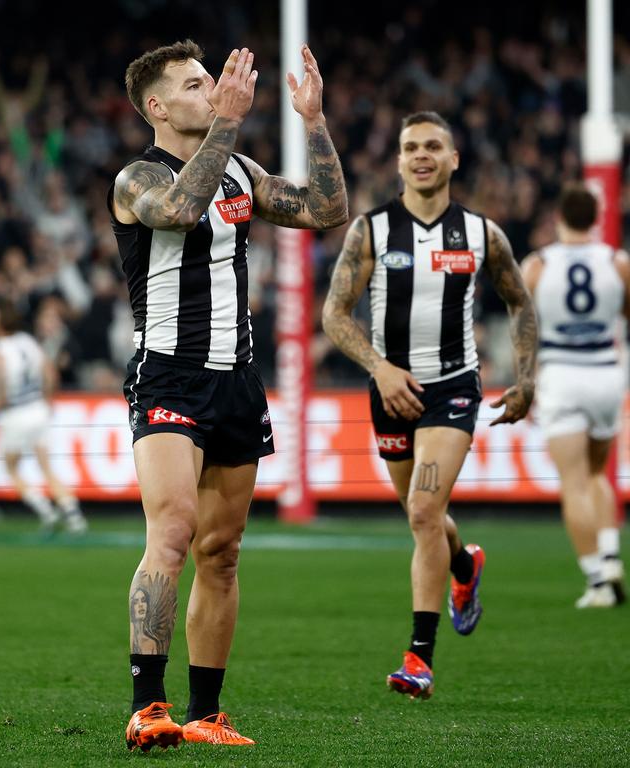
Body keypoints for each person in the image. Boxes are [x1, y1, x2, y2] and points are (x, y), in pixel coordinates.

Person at [110, 41, 347, 749]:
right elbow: (181, 211)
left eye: (211, 80)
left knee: (223, 551)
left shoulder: (240, 170)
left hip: (237, 381)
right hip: (170, 376)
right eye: (193, 84)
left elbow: (326, 209)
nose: (211, 90)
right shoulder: (135, 179)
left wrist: (313, 120)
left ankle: (208, 714)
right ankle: (148, 706)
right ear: (157, 107)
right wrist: (230, 124)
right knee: (174, 533)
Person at [322, 111, 537, 699]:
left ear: (453, 159)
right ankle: (464, 566)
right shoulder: (370, 231)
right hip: (389, 389)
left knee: (421, 512)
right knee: (425, 518)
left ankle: (418, 659)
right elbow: (334, 314)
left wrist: (525, 378)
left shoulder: (482, 233)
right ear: (398, 161)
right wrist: (379, 368)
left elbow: (519, 302)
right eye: (411, 147)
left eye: (433, 146)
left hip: (452, 388)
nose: (422, 155)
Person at [521, 183, 628, 608]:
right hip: (605, 372)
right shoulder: (616, 262)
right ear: (597, 217)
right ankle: (612, 552)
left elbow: (524, 331)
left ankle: (597, 581)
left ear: (558, 217)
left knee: (574, 483)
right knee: (600, 472)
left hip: (561, 374)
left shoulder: (538, 265)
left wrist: (525, 383)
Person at [0, 302, 87, 534]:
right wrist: (47, 401)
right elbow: (49, 372)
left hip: (16, 413)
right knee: (46, 465)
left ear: (0, 323)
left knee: (11, 467)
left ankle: (46, 512)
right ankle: (73, 514)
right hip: (38, 409)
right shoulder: (28, 342)